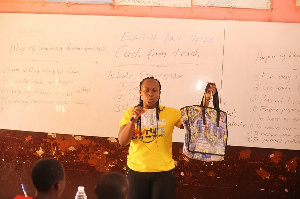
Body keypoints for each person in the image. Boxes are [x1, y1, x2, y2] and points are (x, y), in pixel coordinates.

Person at [118, 76, 184, 199]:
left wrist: (206, 101)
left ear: (159, 93)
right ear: (140, 93)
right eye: (146, 90)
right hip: (136, 171)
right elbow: (122, 141)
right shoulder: (129, 113)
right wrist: (133, 120)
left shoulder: (171, 113)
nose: (150, 94)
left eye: (154, 90)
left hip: (163, 172)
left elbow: (194, 125)